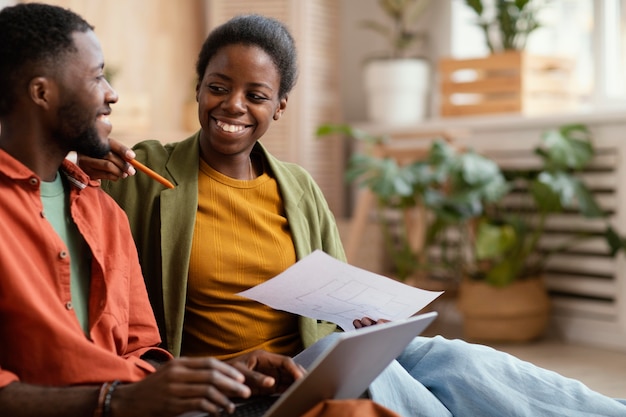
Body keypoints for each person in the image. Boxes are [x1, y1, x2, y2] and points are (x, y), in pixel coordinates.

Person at [81, 13, 626, 417]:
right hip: (233, 384)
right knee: (371, 365)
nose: (233, 106)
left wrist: (367, 319)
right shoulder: (148, 171)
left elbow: (335, 293)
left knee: (448, 357)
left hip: (315, 355)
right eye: (218, 88)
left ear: (280, 106)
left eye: (256, 94)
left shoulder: (297, 187)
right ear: (198, 89)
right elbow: (49, 181)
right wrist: (77, 157)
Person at [0, 4, 316, 417]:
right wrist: (117, 400)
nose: (112, 93)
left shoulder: (103, 212)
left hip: (168, 403)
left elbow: (143, 350)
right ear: (42, 93)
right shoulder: (133, 182)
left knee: (400, 371)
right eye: (97, 76)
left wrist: (218, 372)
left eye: (256, 95)